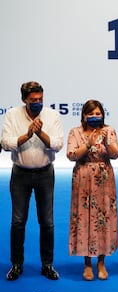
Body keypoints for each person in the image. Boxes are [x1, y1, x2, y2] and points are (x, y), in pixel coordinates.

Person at [1, 81, 64, 281]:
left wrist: (40, 134)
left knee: (47, 223)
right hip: (20, 174)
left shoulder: (52, 115)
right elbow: (5, 143)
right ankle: (16, 265)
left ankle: (47, 265)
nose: (37, 103)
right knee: (18, 222)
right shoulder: (12, 115)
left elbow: (57, 144)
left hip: (45, 173)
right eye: (33, 100)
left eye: (40, 99)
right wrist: (27, 135)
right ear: (24, 100)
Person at [66, 100, 118, 281]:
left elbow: (115, 154)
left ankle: (102, 262)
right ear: (84, 115)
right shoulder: (75, 132)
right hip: (83, 177)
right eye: (91, 114)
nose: (95, 117)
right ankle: (87, 263)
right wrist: (88, 145)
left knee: (103, 219)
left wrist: (106, 141)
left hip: (104, 178)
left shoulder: (109, 130)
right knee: (84, 218)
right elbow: (71, 155)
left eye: (98, 114)